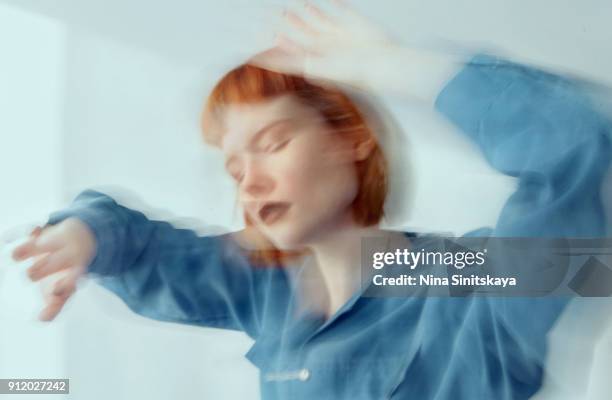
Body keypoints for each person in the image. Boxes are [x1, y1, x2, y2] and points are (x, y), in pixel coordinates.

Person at [11, 2, 612, 399]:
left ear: (351, 142)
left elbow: (575, 152)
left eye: (272, 144)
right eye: (233, 164)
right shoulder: (269, 292)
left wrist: (396, 67)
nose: (247, 181)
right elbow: (147, 250)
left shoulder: (450, 279)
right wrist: (86, 234)